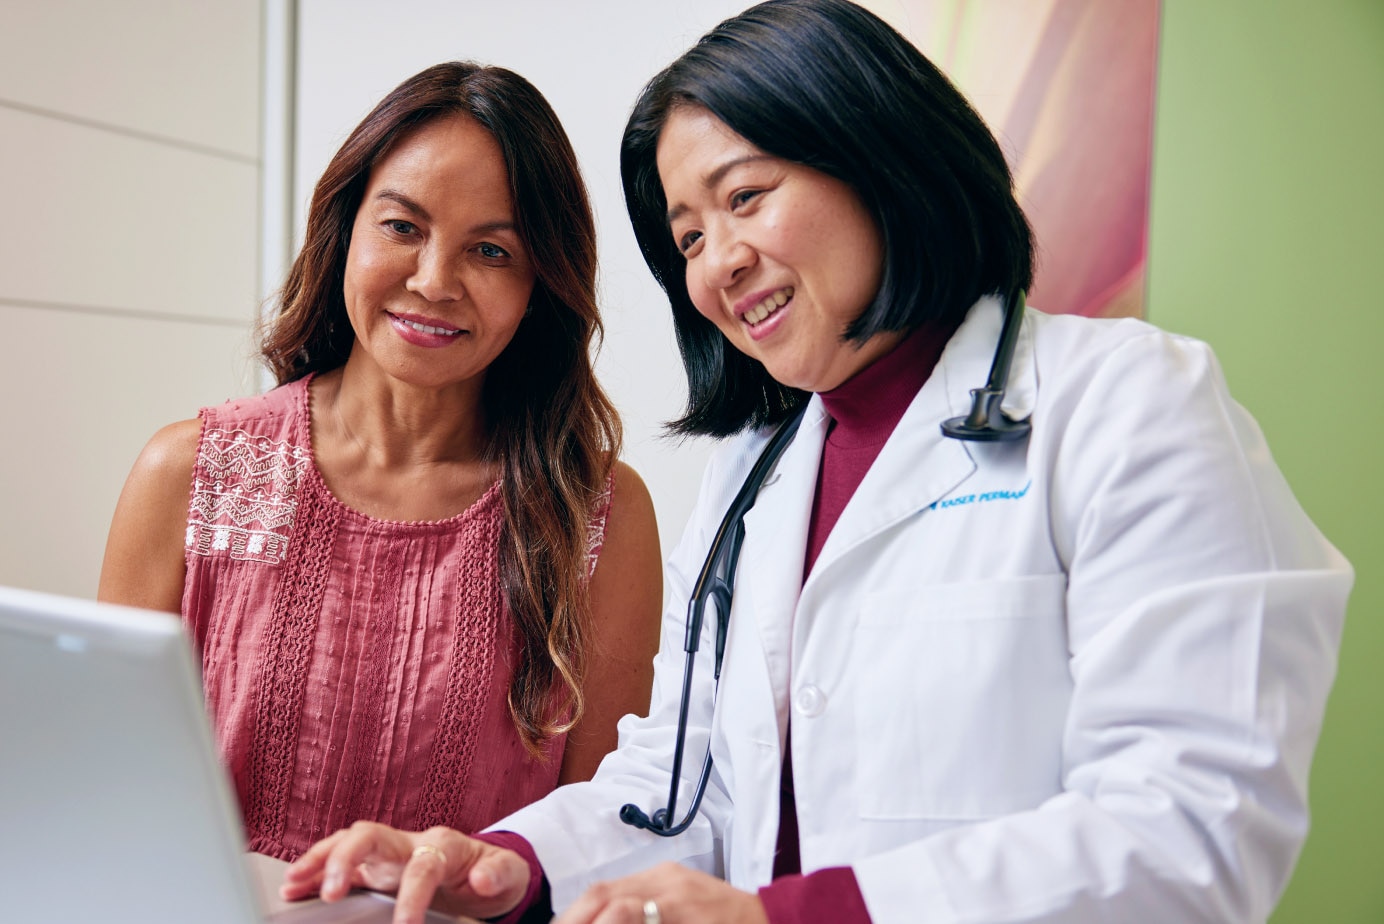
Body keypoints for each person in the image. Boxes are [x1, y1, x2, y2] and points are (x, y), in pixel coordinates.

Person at [279, 3, 1353, 922]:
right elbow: (685, 785)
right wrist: (507, 864)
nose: (718, 264)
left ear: (877, 155)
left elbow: (1197, 827)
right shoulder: (757, 472)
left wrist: (790, 914)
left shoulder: (1128, 405)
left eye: (744, 198)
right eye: (687, 237)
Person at [97, 62, 663, 862]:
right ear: (345, 231)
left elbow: (599, 843)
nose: (434, 282)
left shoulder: (595, 515)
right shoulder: (191, 474)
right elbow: (106, 795)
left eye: (492, 251)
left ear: (541, 283)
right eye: (402, 227)